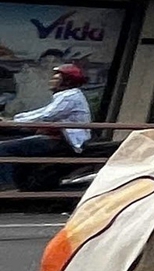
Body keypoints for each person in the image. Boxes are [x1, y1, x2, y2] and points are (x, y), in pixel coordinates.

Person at [0, 63, 92, 191]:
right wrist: (14, 119)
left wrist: (12, 121)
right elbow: (41, 112)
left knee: (3, 148)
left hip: (61, 140)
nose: (51, 81)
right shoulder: (66, 96)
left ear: (66, 81)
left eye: (56, 78)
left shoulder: (70, 97)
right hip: (53, 137)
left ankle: (6, 185)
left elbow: (46, 116)